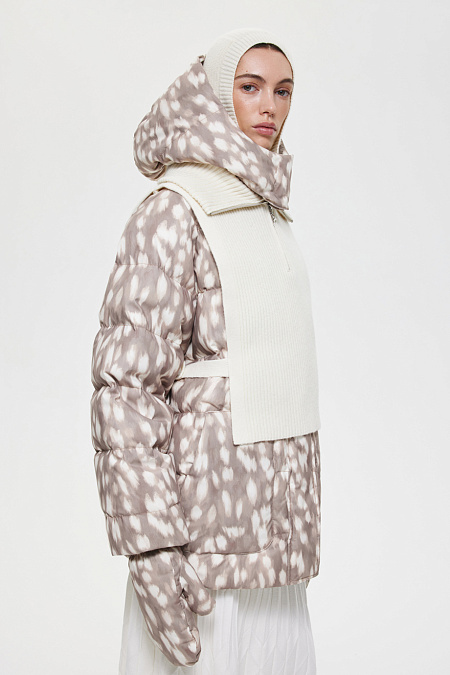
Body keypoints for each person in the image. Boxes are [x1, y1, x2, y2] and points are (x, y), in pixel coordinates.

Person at [90, 27, 321, 675]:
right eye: (250, 87)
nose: (269, 106)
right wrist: (152, 548)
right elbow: (127, 388)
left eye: (283, 91)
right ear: (217, 95)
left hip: (274, 556)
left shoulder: (269, 213)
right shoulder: (174, 210)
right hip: (201, 556)